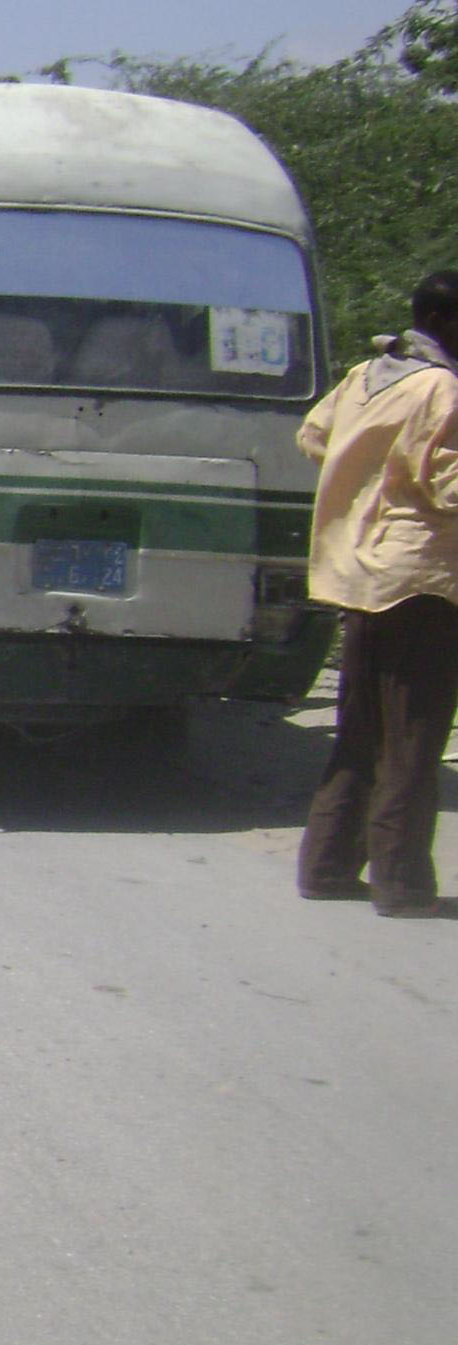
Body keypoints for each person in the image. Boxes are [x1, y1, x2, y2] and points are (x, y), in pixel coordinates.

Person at [296, 270, 458, 916]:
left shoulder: (368, 374)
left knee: (360, 731)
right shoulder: (441, 388)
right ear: (448, 324)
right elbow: (449, 485)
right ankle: (401, 882)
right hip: (419, 580)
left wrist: (369, 481)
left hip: (359, 575)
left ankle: (327, 865)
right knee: (414, 736)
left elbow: (313, 435)